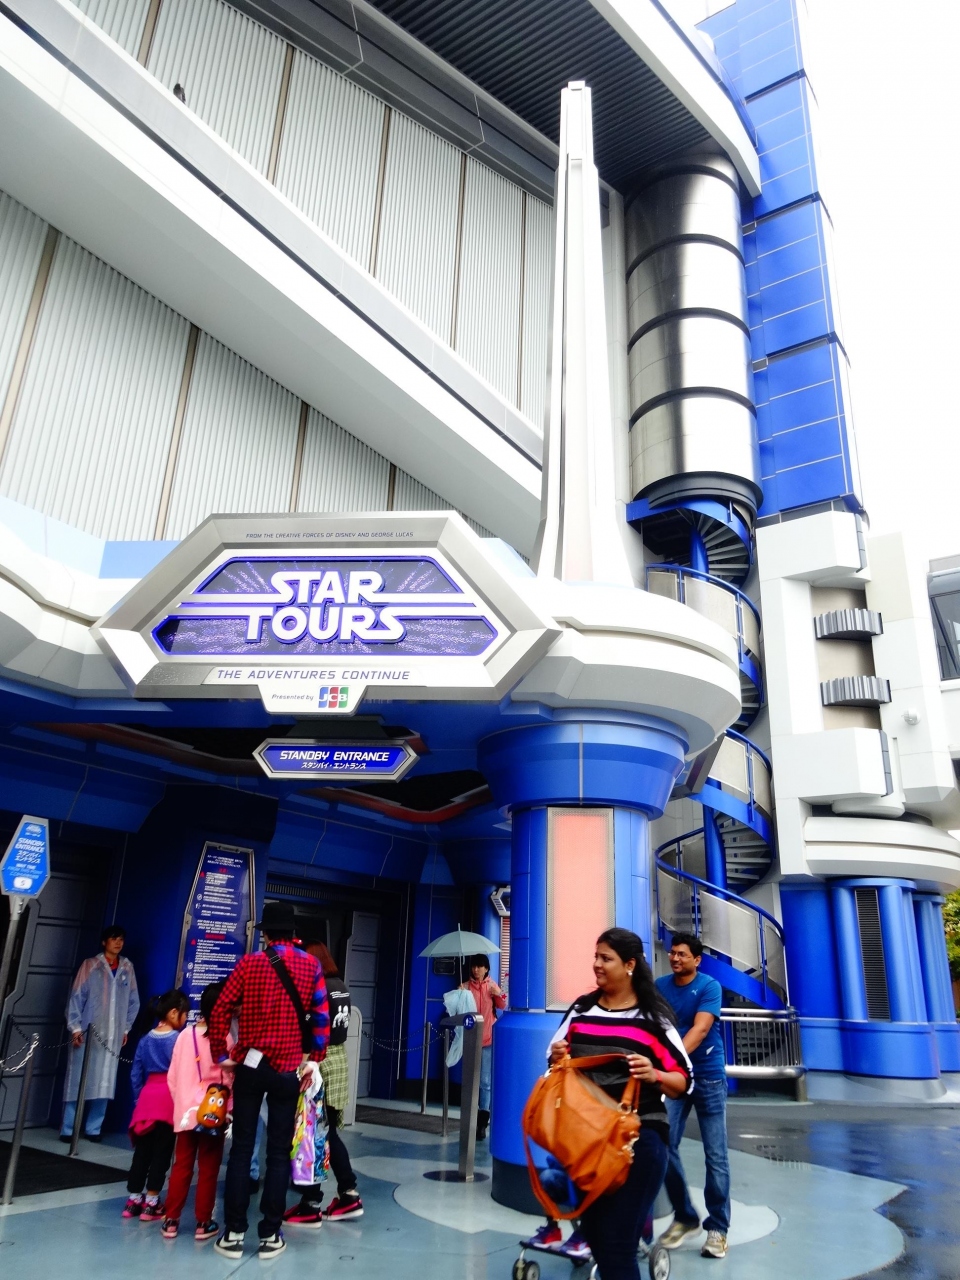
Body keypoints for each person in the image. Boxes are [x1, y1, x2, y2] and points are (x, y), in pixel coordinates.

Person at [547, 928, 692, 1280]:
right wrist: (557, 1056)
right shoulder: (581, 1010)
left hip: (638, 1142)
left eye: (606, 958)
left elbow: (684, 1081)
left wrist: (654, 1074)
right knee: (598, 1238)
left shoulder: (653, 1019)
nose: (596, 964)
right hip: (587, 1143)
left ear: (629, 965)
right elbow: (554, 1066)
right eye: (596, 957)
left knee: (616, 1244)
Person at [208, 901, 330, 1260]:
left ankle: (233, 1233)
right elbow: (321, 1017)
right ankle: (270, 1234)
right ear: (292, 934)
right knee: (278, 1152)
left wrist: (220, 1053)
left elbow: (220, 1008)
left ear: (265, 935)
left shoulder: (249, 964)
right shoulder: (311, 965)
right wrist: (314, 1060)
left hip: (249, 1066)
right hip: (287, 1069)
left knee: (242, 1149)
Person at [655, 932, 730, 1260]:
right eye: (672, 953)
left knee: (716, 1156)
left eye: (682, 954)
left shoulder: (710, 986)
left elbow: (700, 1030)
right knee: (662, 1142)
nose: (675, 958)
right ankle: (685, 1216)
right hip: (675, 1079)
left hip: (707, 1076)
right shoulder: (660, 986)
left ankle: (718, 1229)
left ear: (697, 960)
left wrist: (671, 1062)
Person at [284, 940, 363, 1226]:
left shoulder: (318, 987)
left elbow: (311, 1028)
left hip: (318, 1062)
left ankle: (312, 1201)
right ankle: (347, 1193)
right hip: (338, 1059)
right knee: (327, 1131)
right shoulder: (340, 985)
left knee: (313, 1133)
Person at [162, 981, 232, 1242]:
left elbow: (172, 1077)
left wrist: (182, 1103)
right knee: (209, 1168)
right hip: (213, 1114)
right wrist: (229, 1111)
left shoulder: (184, 1036)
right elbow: (229, 1080)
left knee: (181, 1165)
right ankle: (203, 1222)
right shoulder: (225, 1039)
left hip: (185, 1113)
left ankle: (171, 1220)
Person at [61, 924, 139, 1142]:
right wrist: (76, 1027)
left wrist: (126, 1027)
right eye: (114, 939)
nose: (118, 943)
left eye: (121, 939)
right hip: (88, 1032)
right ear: (104, 942)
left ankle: (94, 1128)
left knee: (105, 1081)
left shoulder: (127, 967)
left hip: (113, 1035)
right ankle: (68, 1128)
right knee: (78, 1079)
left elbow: (133, 1001)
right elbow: (77, 997)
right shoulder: (91, 966)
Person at [123, 989, 190, 1221]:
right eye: (184, 1014)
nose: (186, 1019)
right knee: (162, 1152)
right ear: (173, 1013)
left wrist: (138, 1100)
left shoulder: (145, 1039)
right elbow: (182, 1072)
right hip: (168, 1099)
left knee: (142, 1151)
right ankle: (151, 1202)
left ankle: (133, 1200)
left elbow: (135, 1073)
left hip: (147, 1098)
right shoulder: (178, 1040)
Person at [460, 953, 507, 1140]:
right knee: (471, 1080)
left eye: (479, 966)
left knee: (485, 1082)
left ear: (486, 968)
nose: (476, 970)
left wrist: (498, 994)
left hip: (488, 1040)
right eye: (474, 966)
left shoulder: (492, 986)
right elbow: (457, 1010)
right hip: (470, 1040)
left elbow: (503, 1005)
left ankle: (482, 1123)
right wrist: (459, 994)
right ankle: (469, 1119)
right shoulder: (465, 987)